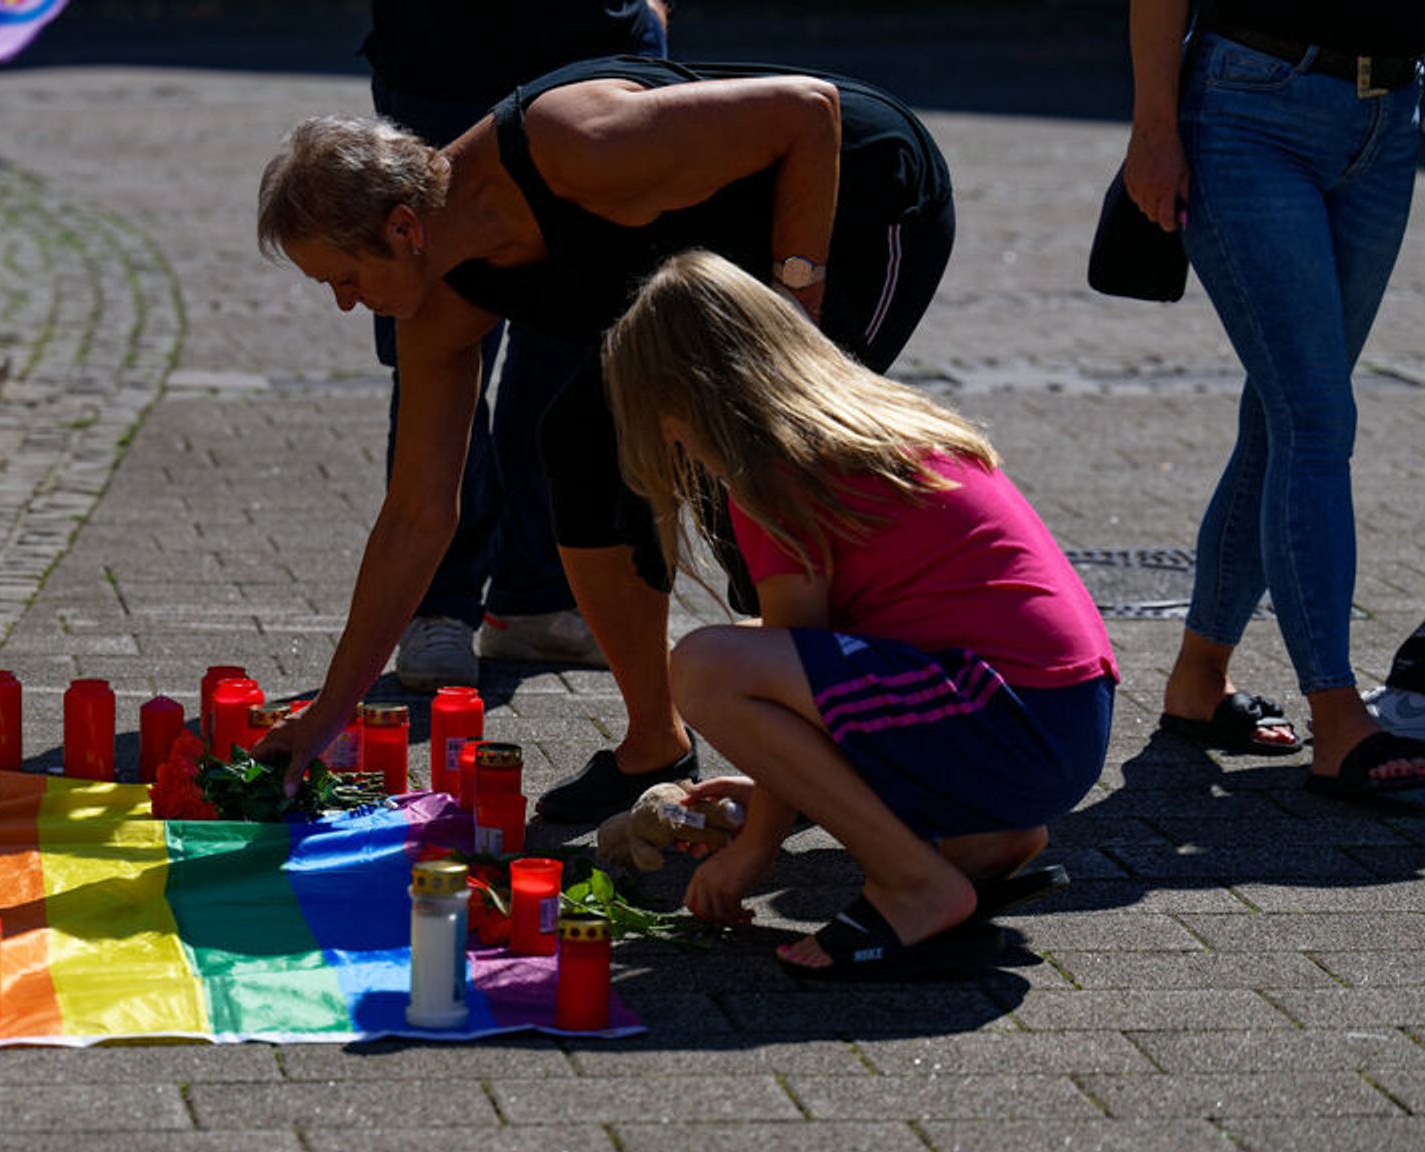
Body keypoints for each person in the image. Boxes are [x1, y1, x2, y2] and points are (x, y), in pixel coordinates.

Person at [253, 55, 954, 823]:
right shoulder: (437, 304)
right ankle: (655, 743)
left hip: (853, 199)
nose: (347, 307)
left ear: (403, 228)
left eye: (344, 279)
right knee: (582, 450)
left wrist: (797, 305)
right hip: (714, 270)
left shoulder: (576, 143)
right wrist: (325, 716)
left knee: (769, 481)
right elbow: (418, 513)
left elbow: (808, 110)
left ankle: (899, 756)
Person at [603, 249, 1116, 977]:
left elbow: (793, 658)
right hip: (1064, 719)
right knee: (752, 651)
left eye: (664, 422)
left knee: (708, 665)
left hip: (1012, 721)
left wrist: (755, 852)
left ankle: (915, 884)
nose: (672, 442)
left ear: (692, 396)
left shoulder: (775, 467)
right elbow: (828, 663)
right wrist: (780, 784)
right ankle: (985, 844)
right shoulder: (868, 425)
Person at [1124, 0, 1425, 796]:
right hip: (1251, 105)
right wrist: (1154, 129)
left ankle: (1197, 682)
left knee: (1281, 417)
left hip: (1391, 117)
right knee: (1316, 420)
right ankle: (1337, 719)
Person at [363, 0, 670, 690]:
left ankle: (537, 598)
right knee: (434, 342)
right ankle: (436, 608)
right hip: (439, 66)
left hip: (594, 54)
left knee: (576, 341)